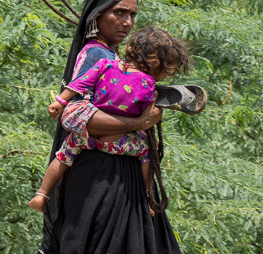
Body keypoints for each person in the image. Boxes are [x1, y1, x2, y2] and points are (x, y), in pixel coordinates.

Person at [38, 0, 187, 254]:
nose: (126, 22)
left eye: (132, 15)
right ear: (96, 16)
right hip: (97, 177)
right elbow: (76, 115)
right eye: (118, 12)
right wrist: (136, 125)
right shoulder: (95, 56)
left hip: (123, 175)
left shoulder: (123, 63)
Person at [29, 26, 190, 215]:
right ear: (155, 62)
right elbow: (145, 117)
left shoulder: (105, 64)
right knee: (149, 150)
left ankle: (42, 194)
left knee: (63, 155)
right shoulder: (148, 85)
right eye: (165, 70)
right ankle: (146, 198)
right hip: (118, 142)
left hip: (86, 137)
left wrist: (61, 100)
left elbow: (81, 83)